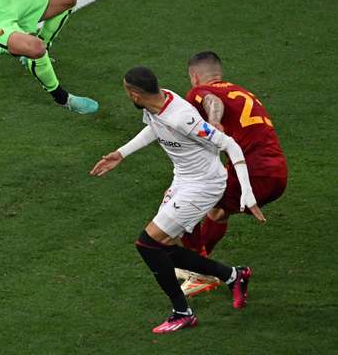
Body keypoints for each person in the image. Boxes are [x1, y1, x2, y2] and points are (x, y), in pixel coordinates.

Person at [90, 66, 265, 333]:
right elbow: (154, 129)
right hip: (183, 179)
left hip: (204, 184)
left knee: (148, 244)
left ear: (135, 94)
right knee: (163, 247)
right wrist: (121, 153)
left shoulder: (182, 117)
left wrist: (248, 194)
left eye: (126, 91)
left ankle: (183, 312)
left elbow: (230, 144)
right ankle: (234, 275)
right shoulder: (158, 102)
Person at [177, 51, 289, 294]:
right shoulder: (241, 91)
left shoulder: (199, 92)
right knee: (216, 212)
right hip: (276, 172)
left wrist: (214, 121)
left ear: (194, 77)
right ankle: (198, 267)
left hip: (253, 173)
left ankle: (200, 272)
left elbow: (212, 103)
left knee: (185, 204)